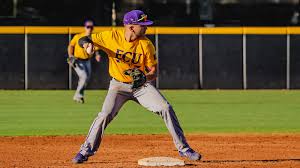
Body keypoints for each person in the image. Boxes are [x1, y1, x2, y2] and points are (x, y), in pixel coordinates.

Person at [72, 10, 201, 164]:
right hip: (118, 86)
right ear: (132, 27)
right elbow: (84, 39)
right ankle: (85, 150)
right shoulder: (111, 37)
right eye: (143, 25)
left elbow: (154, 72)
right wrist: (87, 44)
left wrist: (145, 77)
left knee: (165, 108)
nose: (146, 28)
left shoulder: (146, 45)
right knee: (104, 114)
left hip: (141, 87)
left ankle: (183, 148)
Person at [67, 19, 101, 103]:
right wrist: (71, 56)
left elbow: (96, 49)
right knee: (84, 76)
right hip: (77, 60)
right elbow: (71, 46)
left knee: (86, 78)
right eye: (88, 27)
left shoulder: (93, 38)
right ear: (85, 27)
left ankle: (79, 95)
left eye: (91, 27)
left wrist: (97, 55)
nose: (90, 29)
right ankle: (78, 96)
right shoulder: (78, 36)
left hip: (87, 61)